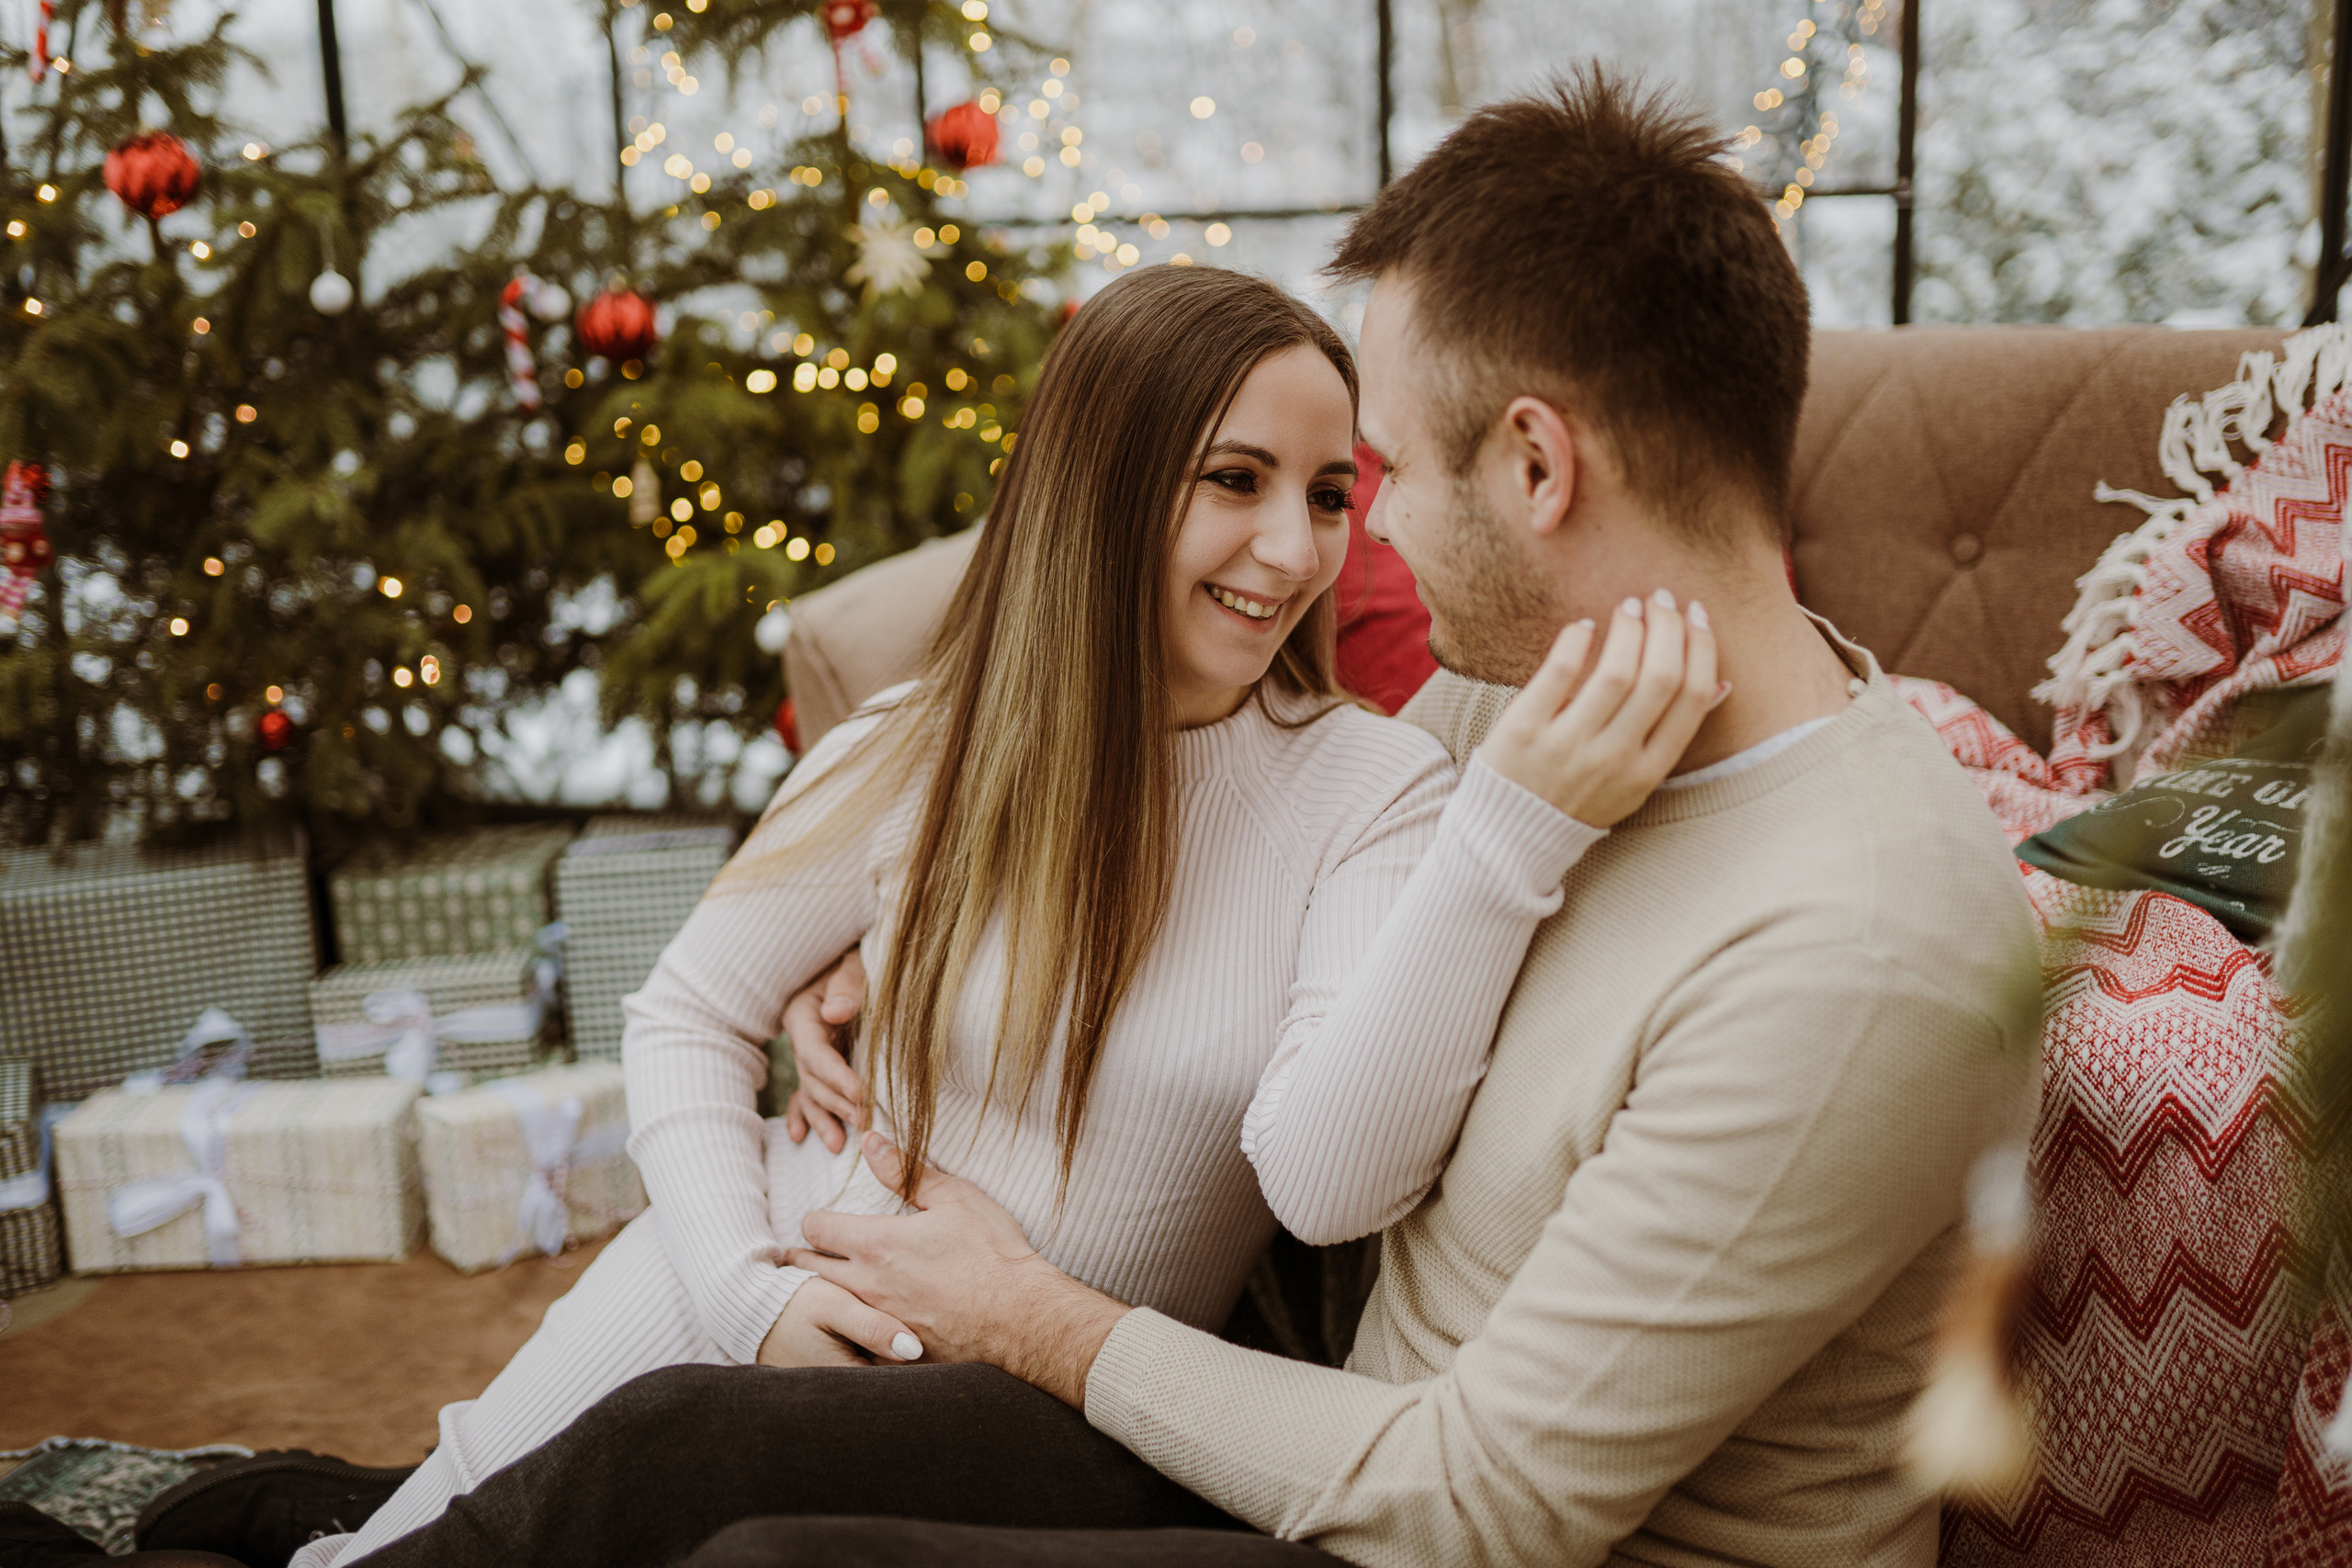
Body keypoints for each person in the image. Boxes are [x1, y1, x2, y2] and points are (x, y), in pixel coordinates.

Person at [130, 69, 2037, 1568]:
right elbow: (1241, 865)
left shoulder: (1853, 946)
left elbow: (1482, 1506)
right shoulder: (1536, 697)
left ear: (1534, 464)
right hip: (1287, 1396)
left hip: (1433, 1523)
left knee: (737, 1525)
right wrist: (918, 941)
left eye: (1370, 471)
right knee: (646, 1453)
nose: (1347, 541)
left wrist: (1030, 1312)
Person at [202, 256, 1704, 1568]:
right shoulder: (922, 749)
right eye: (1235, 481)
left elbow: (1326, 1182)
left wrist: (1506, 842)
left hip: (1033, 1405)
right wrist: (743, 1298)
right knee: (413, 1543)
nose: (1296, 553)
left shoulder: (1372, 789)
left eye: (1327, 495)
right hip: (740, 1281)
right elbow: (688, 1011)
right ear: (1105, 489)